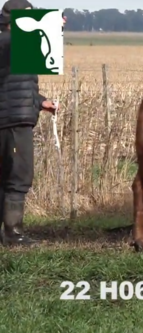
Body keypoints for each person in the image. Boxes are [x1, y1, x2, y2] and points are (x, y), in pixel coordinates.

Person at [0, 0, 58, 246]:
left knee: (7, 176)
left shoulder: (17, 46)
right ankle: (13, 234)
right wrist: (46, 27)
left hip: (16, 116)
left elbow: (20, 84)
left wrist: (40, 101)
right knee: (18, 176)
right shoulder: (6, 41)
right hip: (11, 121)